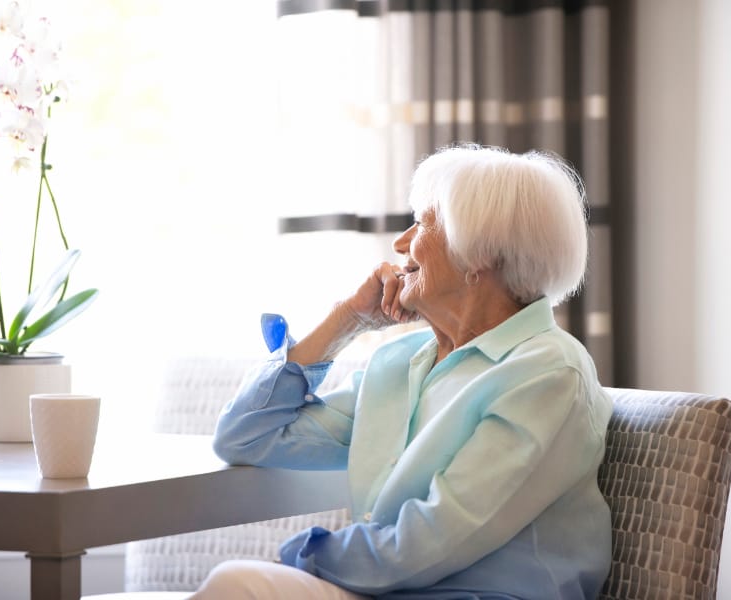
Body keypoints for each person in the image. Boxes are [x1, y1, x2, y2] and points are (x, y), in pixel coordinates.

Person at [194, 144, 613, 599]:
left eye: (423, 223)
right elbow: (244, 437)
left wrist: (302, 556)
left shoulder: (546, 373)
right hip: (386, 591)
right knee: (238, 585)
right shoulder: (400, 363)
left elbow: (431, 540)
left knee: (240, 586)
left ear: (479, 253)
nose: (400, 244)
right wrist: (347, 319)